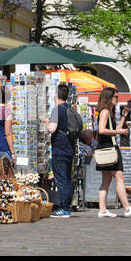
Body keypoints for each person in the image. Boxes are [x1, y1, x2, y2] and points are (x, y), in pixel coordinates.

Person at [96, 88, 131, 218]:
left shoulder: (107, 112)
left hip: (104, 150)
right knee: (119, 179)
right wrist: (119, 132)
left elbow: (113, 129)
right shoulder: (105, 112)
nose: (117, 99)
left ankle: (102, 210)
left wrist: (122, 118)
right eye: (115, 97)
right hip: (109, 149)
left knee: (106, 180)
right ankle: (127, 208)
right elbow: (101, 130)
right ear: (109, 98)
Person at [44, 84, 75, 218]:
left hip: (60, 148)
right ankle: (67, 207)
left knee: (61, 179)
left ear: (56, 95)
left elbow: (52, 129)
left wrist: (46, 122)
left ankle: (63, 208)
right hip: (70, 148)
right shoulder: (70, 109)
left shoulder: (57, 110)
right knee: (67, 178)